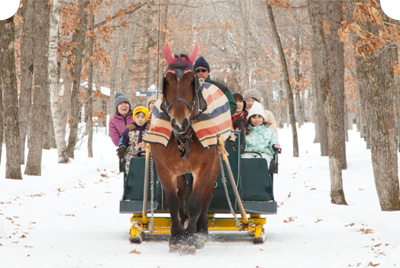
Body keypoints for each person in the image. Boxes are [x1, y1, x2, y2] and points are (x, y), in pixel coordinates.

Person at [117, 106, 149, 172]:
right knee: (131, 163)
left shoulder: (150, 130)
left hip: (147, 154)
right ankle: (131, 178)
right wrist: (122, 147)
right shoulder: (129, 130)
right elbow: (123, 141)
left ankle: (149, 180)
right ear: (134, 118)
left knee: (151, 164)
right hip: (132, 154)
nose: (140, 119)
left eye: (143, 117)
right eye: (137, 117)